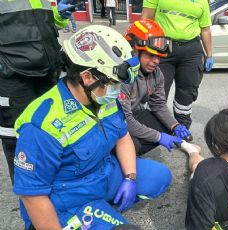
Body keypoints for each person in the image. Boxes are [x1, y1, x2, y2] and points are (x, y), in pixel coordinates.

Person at [12, 25, 172, 229]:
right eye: (114, 83)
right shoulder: (43, 125)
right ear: (87, 77)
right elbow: (32, 195)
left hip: (103, 172)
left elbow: (122, 137)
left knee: (160, 177)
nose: (117, 90)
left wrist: (130, 178)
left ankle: (104, 208)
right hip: (68, 196)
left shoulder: (102, 97)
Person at [0, 0, 75, 183]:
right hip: (13, 77)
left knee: (53, 130)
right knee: (15, 137)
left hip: (47, 72)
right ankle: (29, 198)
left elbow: (43, 26)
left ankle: (53, 186)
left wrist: (59, 15)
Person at [121, 19, 194, 154]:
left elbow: (158, 104)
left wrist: (175, 125)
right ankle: (121, 158)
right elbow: (124, 120)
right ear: (134, 50)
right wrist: (158, 137)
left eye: (159, 56)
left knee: (167, 127)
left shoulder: (156, 73)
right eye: (150, 55)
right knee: (132, 145)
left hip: (134, 113)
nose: (156, 61)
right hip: (115, 122)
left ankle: (129, 153)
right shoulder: (121, 75)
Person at [141, 0, 213, 129]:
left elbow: (205, 30)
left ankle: (182, 128)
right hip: (162, 46)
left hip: (191, 50)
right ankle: (153, 128)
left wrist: (209, 55)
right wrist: (141, 50)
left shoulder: (202, 1)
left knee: (187, 90)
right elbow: (146, 18)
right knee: (158, 90)